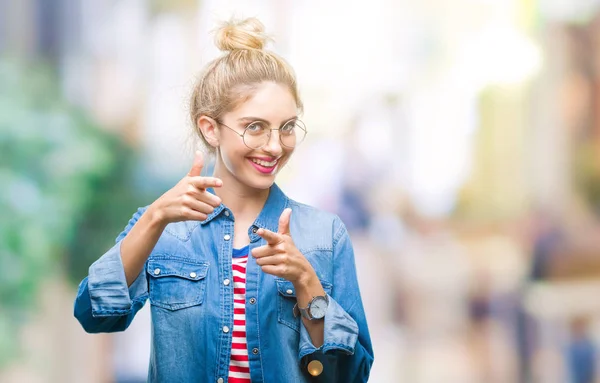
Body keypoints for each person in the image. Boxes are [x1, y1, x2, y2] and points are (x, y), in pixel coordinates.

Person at [73, 17, 374, 383]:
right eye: (255, 127)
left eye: (288, 127)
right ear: (210, 128)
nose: (276, 146)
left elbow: (352, 374)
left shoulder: (324, 236)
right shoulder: (164, 226)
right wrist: (153, 219)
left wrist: (307, 284)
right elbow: (94, 313)